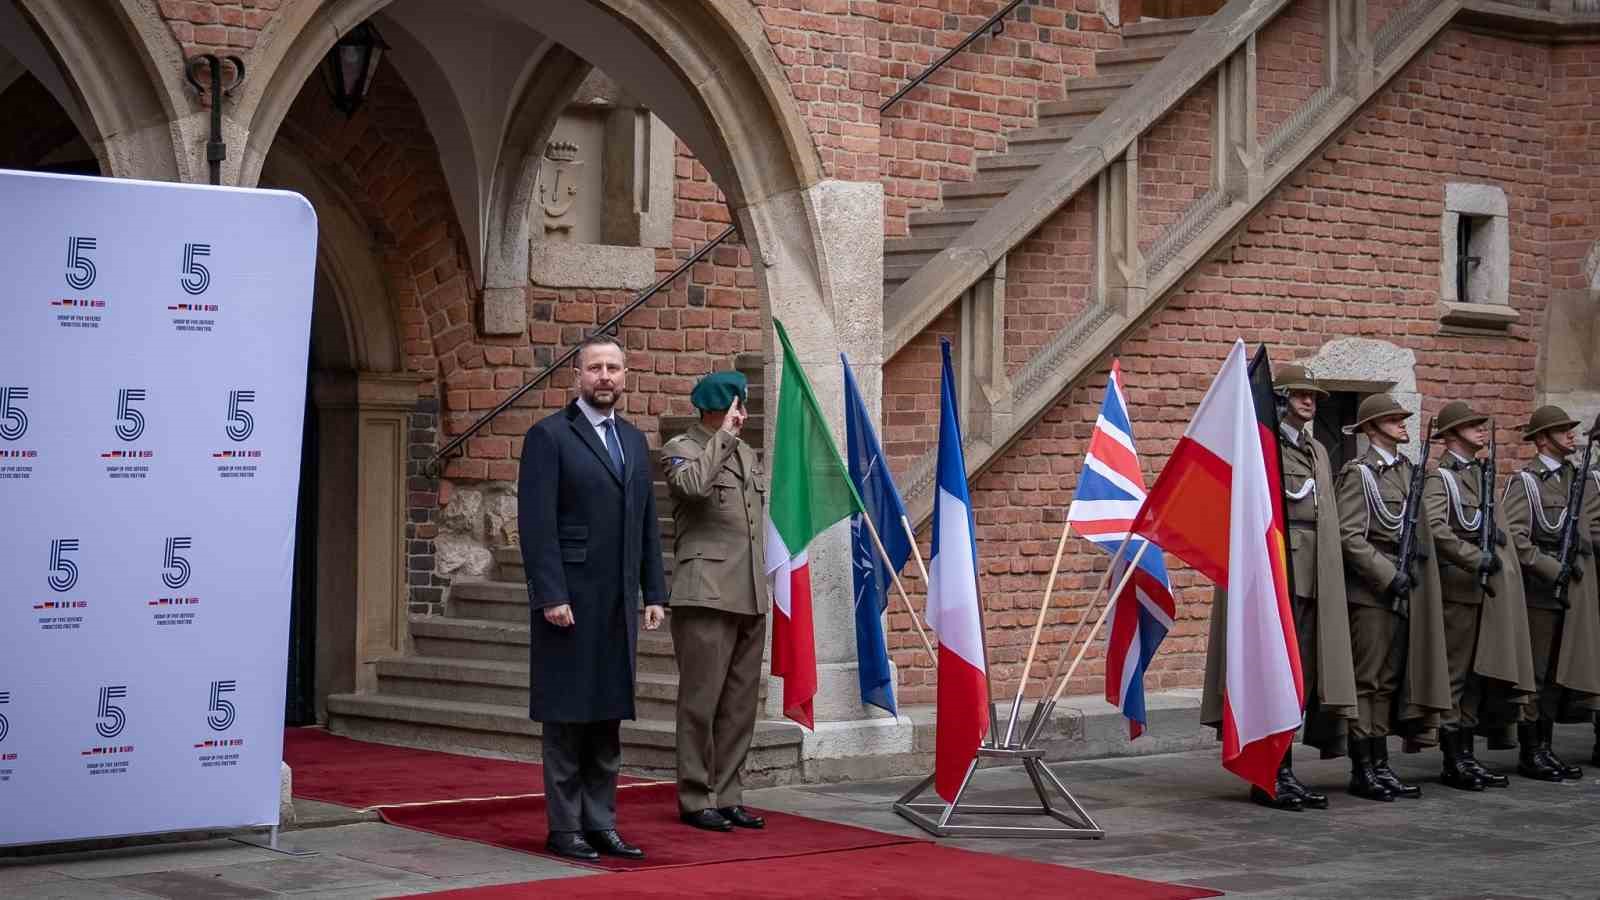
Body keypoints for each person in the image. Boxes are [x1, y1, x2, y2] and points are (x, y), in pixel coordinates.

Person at [518, 333, 668, 862]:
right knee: (567, 718)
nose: (605, 376)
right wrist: (551, 594)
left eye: (614, 368)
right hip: (569, 604)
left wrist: (655, 590)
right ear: (576, 376)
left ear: (625, 376)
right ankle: (564, 829)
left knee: (607, 718)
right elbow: (536, 527)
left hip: (618, 604)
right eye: (595, 368)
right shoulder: (549, 437)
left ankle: (601, 822)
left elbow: (647, 522)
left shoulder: (633, 440)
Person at [1221, 363, 1355, 812]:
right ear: (1280, 399)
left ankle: (1287, 770)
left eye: (1313, 396)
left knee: (1304, 678)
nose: (1308, 402)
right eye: (1299, 395)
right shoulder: (1265, 445)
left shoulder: (1316, 449)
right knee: (1277, 673)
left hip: (1316, 573)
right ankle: (1271, 774)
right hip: (1283, 571)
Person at [659, 370, 770, 832]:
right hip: (704, 593)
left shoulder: (746, 452)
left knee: (739, 705)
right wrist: (722, 437)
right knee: (700, 704)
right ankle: (695, 796)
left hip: (748, 592)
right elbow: (694, 488)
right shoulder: (681, 449)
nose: (741, 413)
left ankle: (728, 794)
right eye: (735, 405)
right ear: (715, 407)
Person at [1335, 393, 1450, 801]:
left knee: (1387, 681)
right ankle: (1362, 767)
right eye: (1392, 419)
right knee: (1366, 681)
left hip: (1405, 585)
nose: (1403, 423)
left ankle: (1381, 764)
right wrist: (1387, 576)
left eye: (1402, 418)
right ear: (1370, 428)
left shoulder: (1408, 472)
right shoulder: (1359, 474)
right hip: (1371, 591)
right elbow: (1349, 536)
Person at [1420, 402, 1533, 791]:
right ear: (1451, 436)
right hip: (1459, 588)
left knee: (1472, 677)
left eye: (1480, 426)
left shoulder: (1480, 475)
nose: (1481, 431)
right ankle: (1454, 758)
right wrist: (1475, 558)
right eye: (1471, 426)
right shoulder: (1441, 479)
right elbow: (1436, 528)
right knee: (1454, 676)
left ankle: (1467, 754)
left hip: (1484, 589)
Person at [1500, 404, 1600, 782]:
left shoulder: (1575, 479)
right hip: (1539, 593)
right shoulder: (1527, 482)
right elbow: (1517, 541)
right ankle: (1532, 750)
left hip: (1571, 592)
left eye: (1572, 429)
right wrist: (1552, 568)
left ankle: (1547, 745)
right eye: (1562, 430)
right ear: (1542, 439)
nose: (1571, 435)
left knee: (1560, 673)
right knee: (1537, 675)